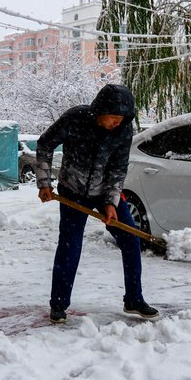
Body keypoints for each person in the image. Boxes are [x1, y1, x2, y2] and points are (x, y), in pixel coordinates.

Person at [36, 84, 159, 324]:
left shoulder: (123, 130)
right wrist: (44, 182)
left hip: (104, 192)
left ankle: (133, 299)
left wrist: (111, 203)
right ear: (99, 111)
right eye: (113, 116)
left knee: (130, 240)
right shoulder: (75, 119)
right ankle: (59, 305)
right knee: (70, 247)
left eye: (121, 118)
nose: (117, 122)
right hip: (73, 191)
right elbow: (45, 144)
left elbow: (117, 169)